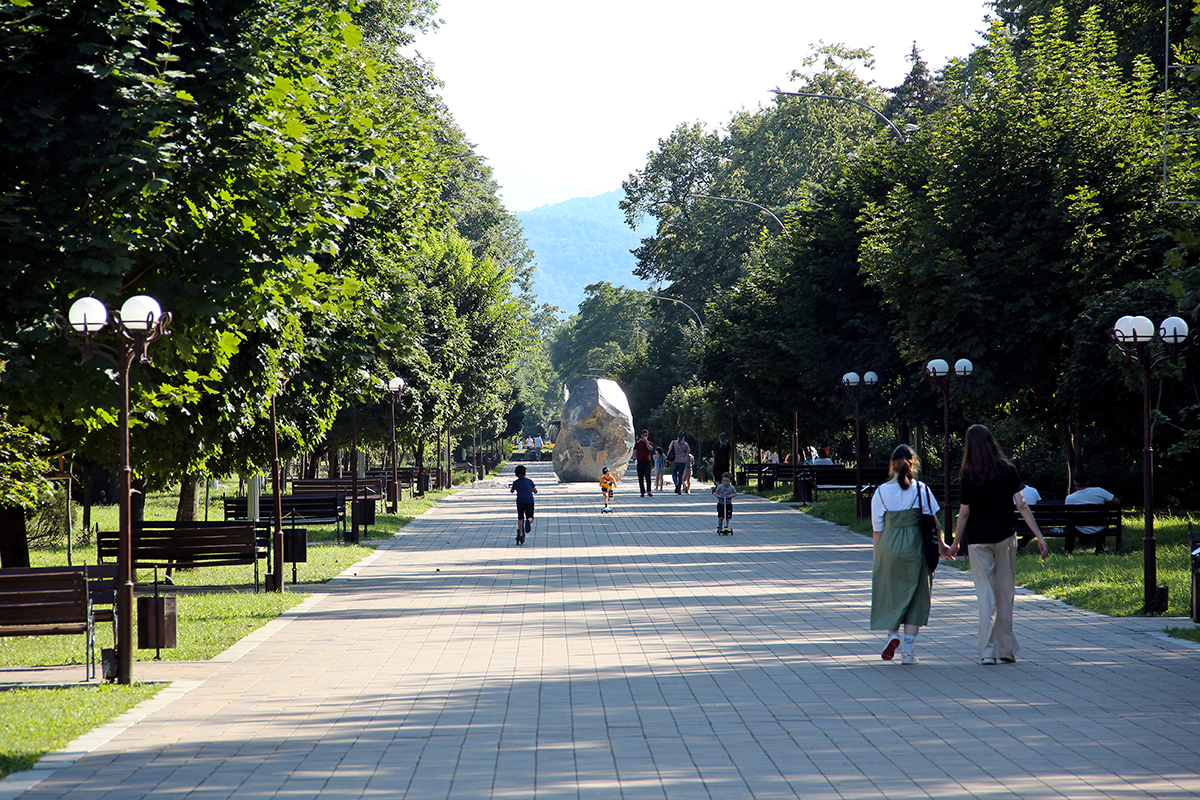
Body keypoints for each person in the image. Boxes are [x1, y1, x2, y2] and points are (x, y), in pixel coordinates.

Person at [949, 425, 1049, 666]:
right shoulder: (1007, 470)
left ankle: (986, 651)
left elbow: (964, 513)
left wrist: (955, 543)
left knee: (985, 594)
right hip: (1005, 536)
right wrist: (1039, 536)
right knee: (1006, 593)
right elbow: (1022, 505)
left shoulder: (968, 474)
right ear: (991, 442)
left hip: (977, 539)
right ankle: (1006, 649)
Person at [870, 444, 945, 665]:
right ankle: (908, 653)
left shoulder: (881, 492)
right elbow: (934, 523)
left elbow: (877, 529)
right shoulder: (922, 489)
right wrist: (942, 546)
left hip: (889, 547)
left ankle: (892, 635)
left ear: (891, 465)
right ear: (914, 464)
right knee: (917, 597)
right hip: (916, 547)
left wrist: (877, 559)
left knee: (891, 593)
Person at [1064, 471, 1118, 553]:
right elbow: (1117, 501)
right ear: (1087, 482)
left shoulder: (1070, 498)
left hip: (1080, 527)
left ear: (1075, 483)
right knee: (1103, 520)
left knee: (1070, 523)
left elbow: (1068, 514)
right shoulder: (1099, 491)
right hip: (1100, 526)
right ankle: (1100, 548)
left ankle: (1069, 550)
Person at [508, 464, 538, 544]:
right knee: (530, 516)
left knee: (520, 517)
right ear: (525, 473)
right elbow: (535, 491)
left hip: (520, 501)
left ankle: (521, 533)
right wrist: (533, 490)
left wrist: (512, 488)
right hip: (529, 501)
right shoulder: (529, 481)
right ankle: (529, 520)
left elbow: (512, 491)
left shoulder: (515, 482)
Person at [633, 430, 655, 497]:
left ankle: (649, 491)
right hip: (640, 462)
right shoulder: (638, 443)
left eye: (647, 435)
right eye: (644, 435)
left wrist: (646, 442)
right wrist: (634, 456)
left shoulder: (649, 443)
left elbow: (650, 448)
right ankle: (642, 492)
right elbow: (635, 450)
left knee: (648, 477)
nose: (645, 436)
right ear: (641, 435)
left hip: (647, 462)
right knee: (640, 478)